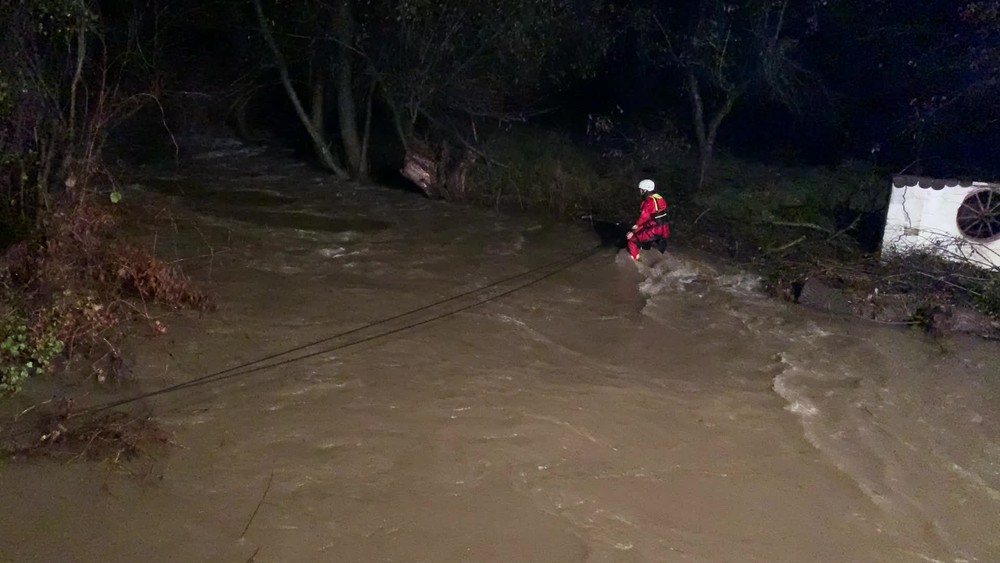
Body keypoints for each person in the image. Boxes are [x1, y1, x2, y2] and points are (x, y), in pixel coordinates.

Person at [626, 178, 670, 261]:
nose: (640, 192)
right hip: (665, 229)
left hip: (655, 230)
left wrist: (632, 231)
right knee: (660, 253)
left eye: (641, 190)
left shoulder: (648, 201)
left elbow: (643, 218)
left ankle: (634, 261)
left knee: (631, 240)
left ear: (645, 190)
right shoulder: (659, 198)